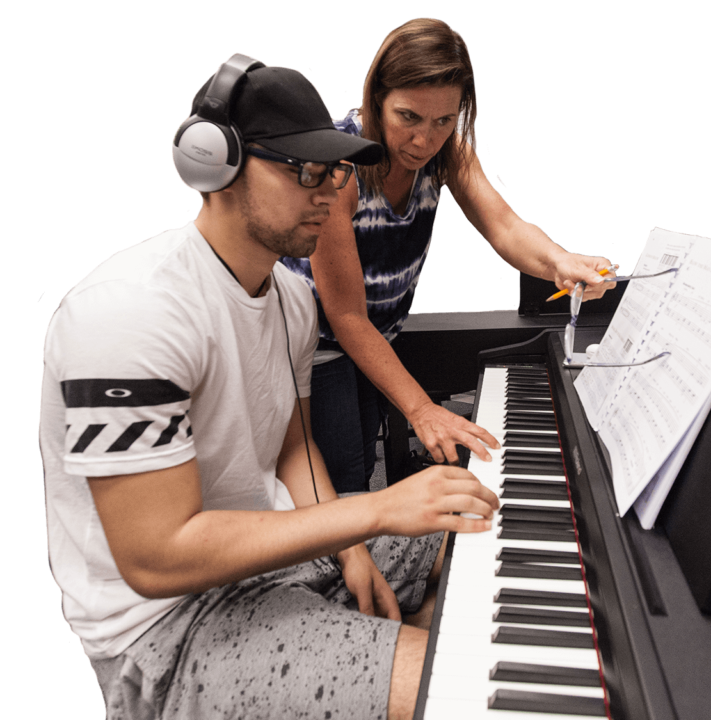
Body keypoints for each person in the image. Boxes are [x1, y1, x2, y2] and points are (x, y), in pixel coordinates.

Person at [38, 58, 498, 720]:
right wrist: (370, 513)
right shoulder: (130, 313)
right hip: (168, 626)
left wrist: (350, 549)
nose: (329, 191)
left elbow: (293, 446)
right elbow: (155, 558)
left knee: (480, 527)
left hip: (277, 556)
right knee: (466, 686)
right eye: (303, 170)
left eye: (335, 170)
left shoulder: (290, 298)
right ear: (213, 166)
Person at [279, 17, 616, 495]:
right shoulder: (340, 170)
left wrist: (560, 262)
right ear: (377, 97)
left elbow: (504, 227)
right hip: (314, 341)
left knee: (360, 462)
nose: (424, 141)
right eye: (408, 117)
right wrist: (420, 409)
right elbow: (346, 315)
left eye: (443, 120)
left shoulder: (447, 153)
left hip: (375, 334)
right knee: (342, 476)